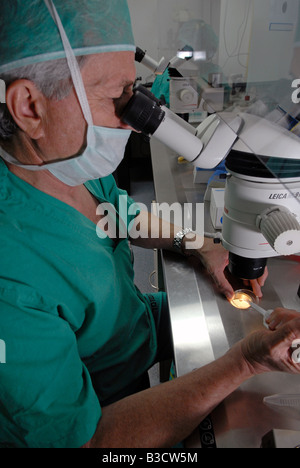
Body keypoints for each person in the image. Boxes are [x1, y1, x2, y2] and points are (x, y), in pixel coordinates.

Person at [0, 0, 298, 449]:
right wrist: (245, 362)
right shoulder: (10, 271)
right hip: (108, 416)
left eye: (132, 94)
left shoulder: (67, 165)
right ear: (29, 107)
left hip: (133, 330)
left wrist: (200, 243)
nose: (131, 118)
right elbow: (86, 442)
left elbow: (121, 213)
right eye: (114, 97)